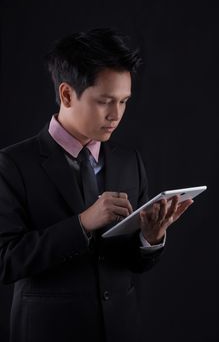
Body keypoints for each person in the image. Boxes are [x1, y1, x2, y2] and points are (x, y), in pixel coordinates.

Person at [0, 28, 193, 342]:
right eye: (105, 101)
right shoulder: (12, 165)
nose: (116, 115)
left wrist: (150, 238)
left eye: (124, 102)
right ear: (66, 94)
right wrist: (82, 224)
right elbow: (6, 262)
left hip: (121, 330)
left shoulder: (131, 161)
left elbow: (128, 263)